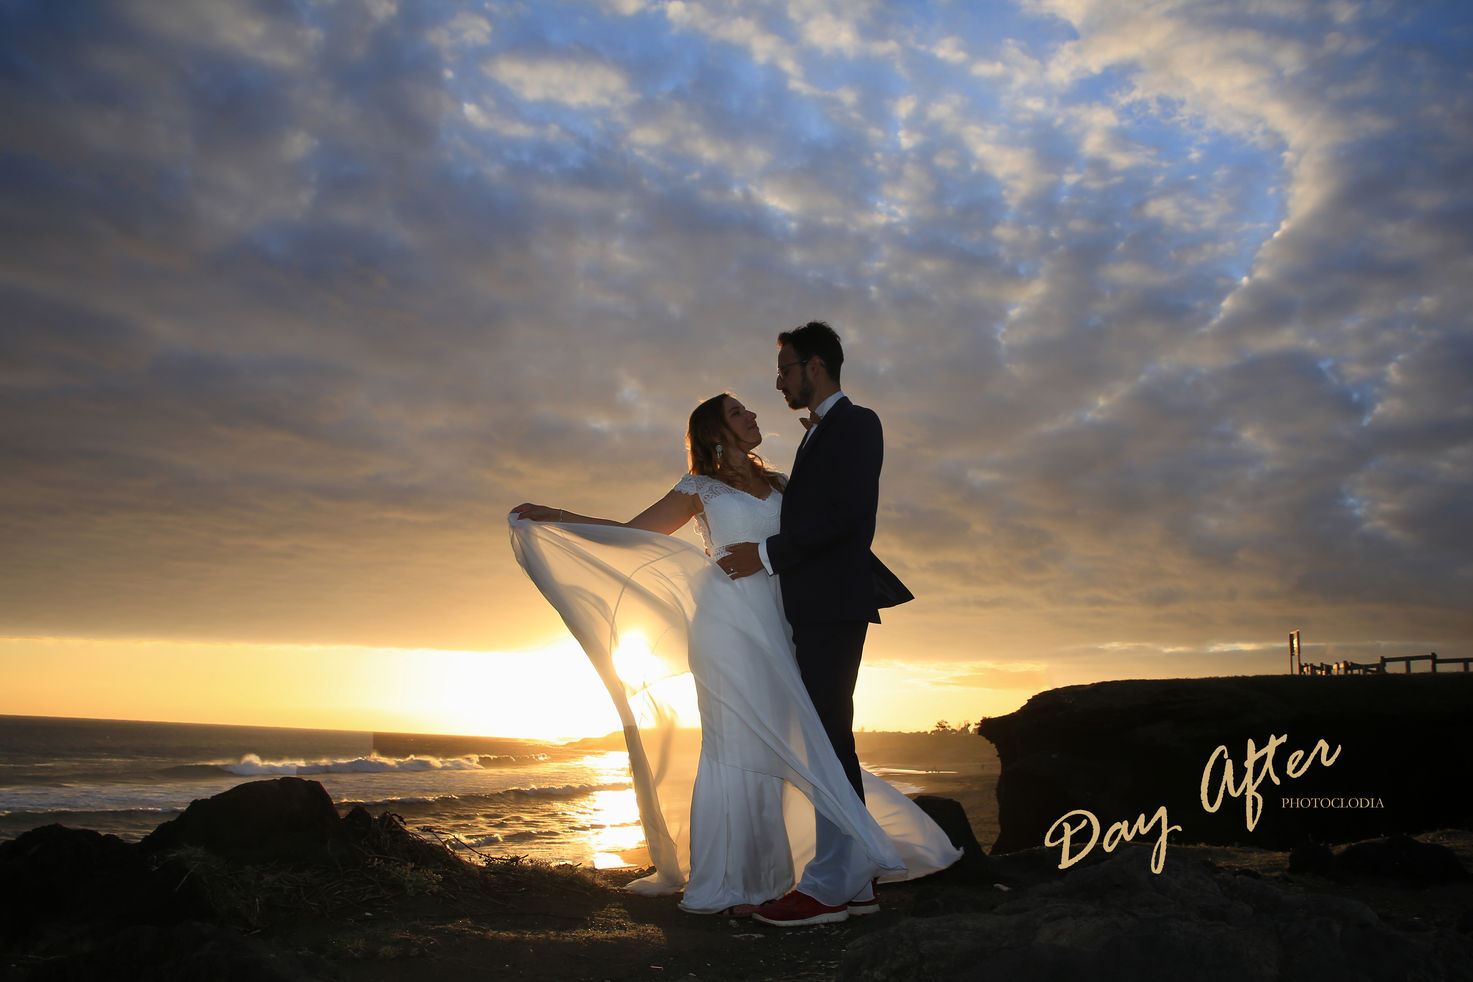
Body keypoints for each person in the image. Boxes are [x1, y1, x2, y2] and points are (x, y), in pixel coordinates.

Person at [510, 392, 958, 918]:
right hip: (725, 622)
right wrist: (558, 517)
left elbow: (817, 536)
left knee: (799, 736)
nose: (752, 416)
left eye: (748, 410)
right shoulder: (698, 487)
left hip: (785, 619)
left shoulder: (784, 484)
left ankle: (826, 868)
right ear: (715, 433)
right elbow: (635, 534)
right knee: (737, 740)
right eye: (738, 413)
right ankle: (738, 882)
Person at [718, 320, 914, 927]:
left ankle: (829, 887)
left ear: (816, 367)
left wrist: (765, 554)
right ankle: (855, 882)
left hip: (832, 604)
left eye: (785, 370)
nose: (779, 383)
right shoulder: (818, 434)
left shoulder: (857, 423)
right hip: (814, 607)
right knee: (829, 739)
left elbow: (846, 518)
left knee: (828, 743)